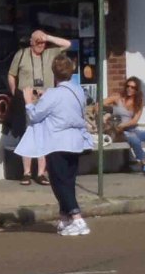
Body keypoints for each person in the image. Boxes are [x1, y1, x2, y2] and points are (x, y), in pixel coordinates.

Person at [16, 54, 92, 235]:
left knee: (59, 182)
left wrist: (28, 102)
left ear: (54, 73)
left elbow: (35, 115)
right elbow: (62, 106)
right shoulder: (78, 91)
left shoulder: (53, 94)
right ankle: (65, 219)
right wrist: (44, 97)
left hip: (57, 142)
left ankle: (77, 218)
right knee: (69, 180)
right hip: (75, 142)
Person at [6, 28, 72, 185]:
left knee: (44, 136)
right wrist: (15, 92)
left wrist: (47, 37)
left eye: (43, 42)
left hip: (45, 99)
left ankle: (41, 173)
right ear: (30, 42)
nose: (40, 45)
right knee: (27, 136)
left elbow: (68, 44)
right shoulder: (21, 54)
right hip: (27, 99)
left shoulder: (50, 53)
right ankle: (26, 172)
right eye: (37, 41)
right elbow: (11, 74)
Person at [107, 77, 145, 176]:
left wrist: (123, 124)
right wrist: (105, 115)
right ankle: (144, 164)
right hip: (120, 132)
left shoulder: (138, 102)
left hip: (133, 129)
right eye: (128, 86)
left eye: (133, 87)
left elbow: (135, 121)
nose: (129, 89)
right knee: (134, 139)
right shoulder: (117, 97)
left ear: (136, 90)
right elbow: (101, 104)